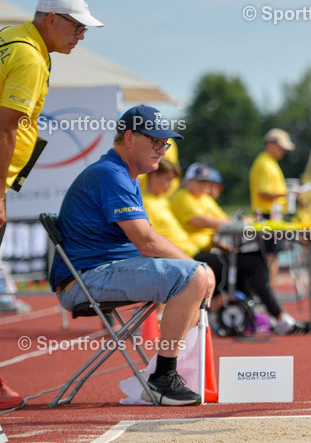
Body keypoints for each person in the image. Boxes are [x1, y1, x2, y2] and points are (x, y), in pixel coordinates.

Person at [47, 105, 215, 405]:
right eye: (155, 142)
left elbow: (146, 242)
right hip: (84, 280)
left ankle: (167, 372)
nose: (162, 150)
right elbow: (146, 242)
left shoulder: (122, 174)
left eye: (165, 143)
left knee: (196, 276)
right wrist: (197, 266)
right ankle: (163, 378)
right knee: (194, 276)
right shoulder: (111, 175)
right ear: (129, 138)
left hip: (96, 272)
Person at [0, 0, 103, 409]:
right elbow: (4, 130)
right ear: (51, 19)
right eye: (77, 27)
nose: (82, 36)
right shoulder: (31, 58)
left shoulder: (8, 36)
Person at [171, 162, 311, 334]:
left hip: (210, 251)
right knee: (251, 264)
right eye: (200, 181)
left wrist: (232, 225)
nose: (204, 185)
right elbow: (200, 220)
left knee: (254, 260)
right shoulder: (183, 197)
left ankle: (260, 315)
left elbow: (224, 220)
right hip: (195, 256)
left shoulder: (204, 199)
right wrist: (233, 224)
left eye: (206, 182)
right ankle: (277, 318)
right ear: (188, 181)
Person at [250, 128, 295, 279]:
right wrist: (288, 193)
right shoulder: (264, 164)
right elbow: (263, 193)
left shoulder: (270, 163)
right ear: (270, 144)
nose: (283, 151)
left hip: (273, 215)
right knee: (270, 258)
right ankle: (268, 290)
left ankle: (269, 289)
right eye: (281, 147)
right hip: (267, 215)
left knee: (272, 256)